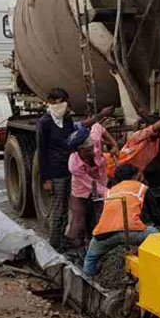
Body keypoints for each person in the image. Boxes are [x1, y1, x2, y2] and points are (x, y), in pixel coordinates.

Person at [36, 88, 112, 251]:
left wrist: (100, 116)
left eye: (64, 100)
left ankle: (72, 241)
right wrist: (46, 179)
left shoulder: (67, 120)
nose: (63, 104)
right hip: (56, 172)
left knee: (76, 208)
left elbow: (78, 131)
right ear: (51, 101)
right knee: (59, 209)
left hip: (70, 170)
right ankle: (55, 245)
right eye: (59, 101)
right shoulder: (45, 123)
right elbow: (42, 152)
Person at [83, 164, 160, 276]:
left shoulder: (110, 191)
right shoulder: (141, 188)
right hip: (130, 231)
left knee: (90, 258)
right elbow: (156, 215)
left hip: (104, 234)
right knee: (154, 234)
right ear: (135, 176)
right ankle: (152, 268)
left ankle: (88, 278)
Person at [67, 137, 108, 249]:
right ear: (80, 151)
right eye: (87, 150)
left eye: (91, 148)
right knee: (79, 219)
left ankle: (94, 242)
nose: (92, 151)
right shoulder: (74, 165)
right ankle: (74, 247)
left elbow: (98, 127)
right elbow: (88, 183)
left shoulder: (95, 147)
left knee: (99, 217)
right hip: (81, 189)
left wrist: (113, 144)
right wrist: (109, 193)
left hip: (100, 184)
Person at [116, 110, 160, 174]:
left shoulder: (141, 139)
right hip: (132, 167)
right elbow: (154, 128)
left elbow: (157, 130)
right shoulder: (138, 138)